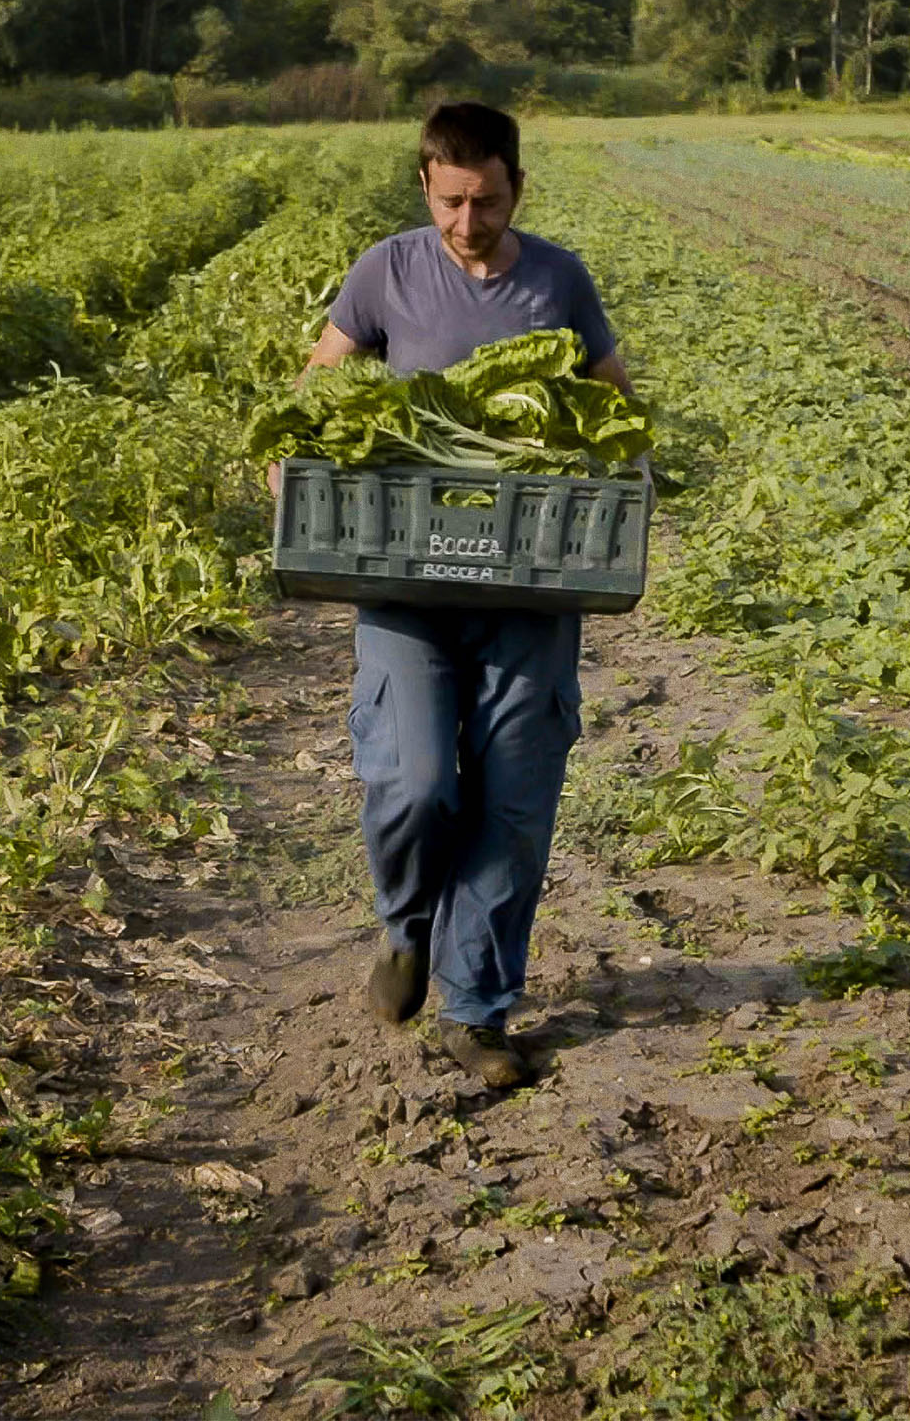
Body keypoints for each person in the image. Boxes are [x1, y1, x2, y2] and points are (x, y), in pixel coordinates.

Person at [298, 101, 631, 1089]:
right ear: (425, 186)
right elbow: (323, 377)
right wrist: (297, 453)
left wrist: (621, 463)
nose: (467, 222)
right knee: (416, 782)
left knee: (514, 800)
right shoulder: (387, 270)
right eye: (450, 201)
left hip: (529, 576)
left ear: (516, 187)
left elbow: (611, 395)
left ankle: (475, 1012)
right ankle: (406, 927)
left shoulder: (558, 277)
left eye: (486, 202)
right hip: (404, 573)